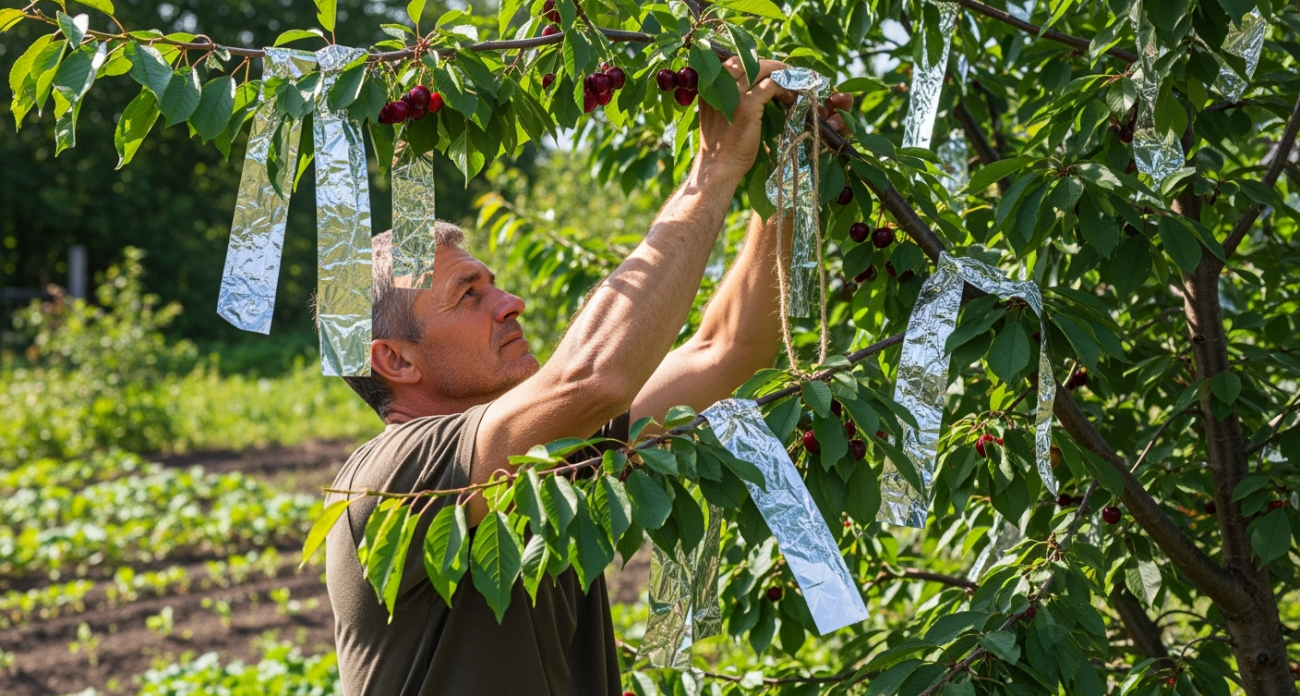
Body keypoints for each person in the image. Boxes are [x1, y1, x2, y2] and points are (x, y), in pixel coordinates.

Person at [325, 58, 853, 695]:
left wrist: (785, 170)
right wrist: (713, 168)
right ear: (397, 361)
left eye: (494, 283)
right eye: (469, 294)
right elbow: (592, 377)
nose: (511, 302)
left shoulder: (554, 455)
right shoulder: (389, 479)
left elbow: (728, 350)